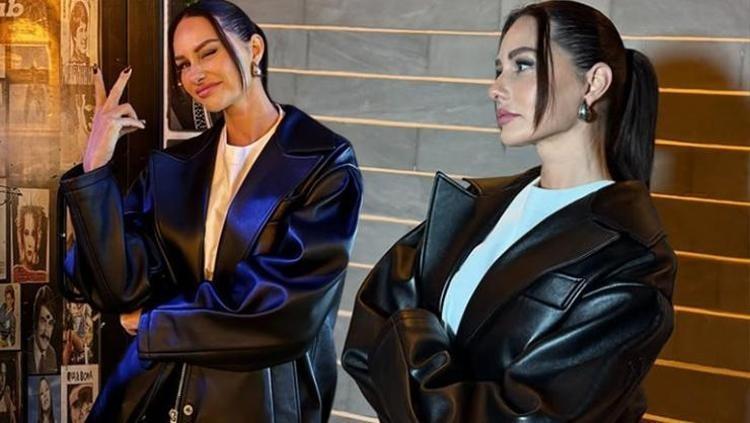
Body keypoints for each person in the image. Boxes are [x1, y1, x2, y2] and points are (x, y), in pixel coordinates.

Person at [342, 1, 676, 421]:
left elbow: (529, 415)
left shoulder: (632, 259)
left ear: (593, 83)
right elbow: (364, 337)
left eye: (522, 65)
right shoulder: (481, 205)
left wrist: (407, 354)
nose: (495, 88)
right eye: (499, 69)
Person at [59, 0, 362, 421]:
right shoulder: (175, 168)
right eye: (183, 64)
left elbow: (285, 311)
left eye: (208, 52)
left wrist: (156, 323)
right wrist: (95, 169)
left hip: (256, 403)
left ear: (254, 49)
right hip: (155, 395)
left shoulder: (323, 163)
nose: (195, 74)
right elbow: (117, 288)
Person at [29, 286, 58, 374]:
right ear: (35, 321)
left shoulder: (52, 354)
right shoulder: (26, 348)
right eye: (43, 321)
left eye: (50, 323)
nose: (46, 331)